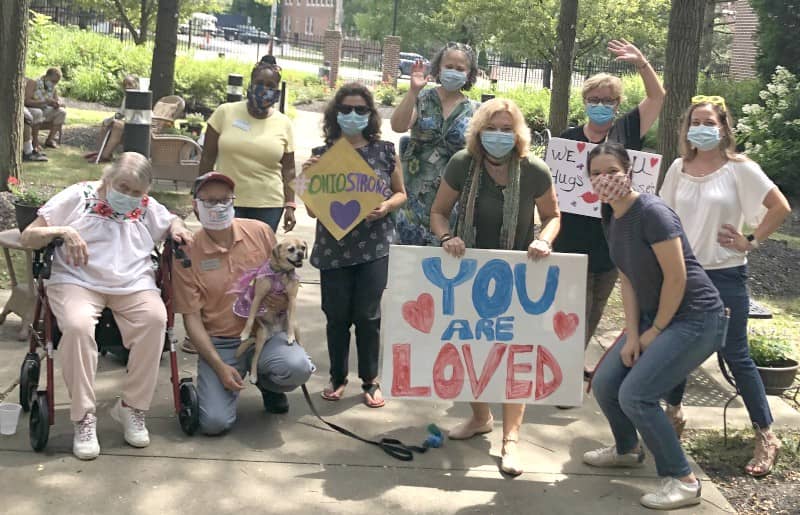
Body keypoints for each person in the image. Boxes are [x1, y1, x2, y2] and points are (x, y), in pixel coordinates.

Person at [19, 152, 193, 460]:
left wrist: (177, 227)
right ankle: (84, 417)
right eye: (121, 187)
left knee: (156, 320)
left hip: (132, 283)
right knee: (76, 325)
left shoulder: (146, 207)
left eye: (136, 192)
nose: (127, 196)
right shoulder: (78, 195)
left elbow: (171, 219)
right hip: (76, 280)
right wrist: (64, 231)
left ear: (146, 191)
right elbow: (29, 236)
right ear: (108, 179)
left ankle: (132, 408)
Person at [582, 142, 727, 510]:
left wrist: (654, 332)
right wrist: (633, 334)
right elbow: (628, 278)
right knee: (604, 383)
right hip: (653, 317)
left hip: (696, 317)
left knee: (637, 395)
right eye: (596, 174)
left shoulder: (652, 212)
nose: (605, 180)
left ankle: (684, 480)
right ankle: (627, 449)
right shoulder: (610, 215)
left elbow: (677, 278)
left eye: (611, 170)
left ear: (628, 170)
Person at [659, 97, 791, 476]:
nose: (701, 127)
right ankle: (673, 416)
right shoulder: (678, 168)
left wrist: (751, 239)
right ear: (686, 130)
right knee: (676, 348)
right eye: (695, 121)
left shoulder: (740, 169)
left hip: (725, 274)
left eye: (709, 121)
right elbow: (664, 215)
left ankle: (766, 434)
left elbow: (779, 206)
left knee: (735, 353)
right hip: (683, 273)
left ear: (722, 127)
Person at [429, 98, 561, 476]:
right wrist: (446, 237)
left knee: (512, 355)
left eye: (507, 129)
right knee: (470, 349)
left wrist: (544, 240)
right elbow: (438, 212)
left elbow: (552, 216)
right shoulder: (461, 164)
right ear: (478, 132)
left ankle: (511, 441)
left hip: (516, 278)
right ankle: (480, 417)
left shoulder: (533, 170)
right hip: (467, 274)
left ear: (518, 134)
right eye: (491, 128)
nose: (499, 136)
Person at [551, 39, 665, 379]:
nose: (601, 105)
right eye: (594, 100)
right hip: (572, 238)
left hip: (616, 239)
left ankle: (570, 364)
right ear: (585, 102)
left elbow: (658, 98)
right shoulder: (568, 139)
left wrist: (642, 62)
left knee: (597, 306)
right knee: (573, 308)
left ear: (618, 104)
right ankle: (564, 370)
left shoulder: (627, 130)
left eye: (608, 100)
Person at [172, 172, 315, 435]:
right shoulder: (187, 252)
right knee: (214, 424)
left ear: (234, 202)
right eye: (210, 201)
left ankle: (269, 385)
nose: (218, 207)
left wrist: (281, 296)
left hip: (266, 331)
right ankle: (223, 382)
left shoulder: (259, 232)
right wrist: (219, 367)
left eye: (225, 200)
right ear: (195, 205)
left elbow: (286, 275)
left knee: (297, 368)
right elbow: (191, 319)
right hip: (221, 342)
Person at [304, 83, 407, 408]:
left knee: (368, 315)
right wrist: (307, 181)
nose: (352, 115)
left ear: (370, 114)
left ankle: (370, 380)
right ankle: (337, 378)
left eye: (360, 109)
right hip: (333, 248)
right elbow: (311, 210)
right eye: (346, 109)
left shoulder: (386, 151)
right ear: (336, 113)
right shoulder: (323, 155)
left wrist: (387, 207)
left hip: (374, 247)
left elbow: (401, 193)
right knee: (336, 316)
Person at [391, 42, 479, 246]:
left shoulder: (475, 111)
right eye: (449, 66)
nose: (453, 71)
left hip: (452, 199)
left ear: (469, 73)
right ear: (439, 67)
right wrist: (412, 91)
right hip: (414, 194)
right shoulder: (423, 99)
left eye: (460, 68)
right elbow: (398, 126)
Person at [199, 59, 296, 235]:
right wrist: (199, 194)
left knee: (257, 259)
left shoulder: (284, 123)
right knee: (224, 255)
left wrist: (291, 204)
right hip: (224, 201)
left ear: (277, 92)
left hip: (269, 205)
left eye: (270, 86)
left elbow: (289, 169)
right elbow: (207, 158)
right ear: (250, 85)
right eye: (259, 83)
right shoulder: (224, 112)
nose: (264, 89)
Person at [86, 74, 140, 163]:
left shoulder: (140, 97)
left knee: (117, 125)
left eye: (130, 84)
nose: (127, 87)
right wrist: (111, 119)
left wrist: (117, 120)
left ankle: (105, 156)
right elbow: (121, 113)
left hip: (138, 126)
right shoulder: (127, 97)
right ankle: (101, 153)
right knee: (106, 123)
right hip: (128, 123)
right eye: (125, 85)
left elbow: (134, 117)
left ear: (136, 85)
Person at [25, 67, 68, 150]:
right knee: (38, 112)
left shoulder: (53, 88)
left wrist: (57, 104)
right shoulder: (33, 82)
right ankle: (35, 141)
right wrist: (44, 101)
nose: (54, 84)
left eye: (56, 82)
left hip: (45, 109)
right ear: (47, 76)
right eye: (53, 81)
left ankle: (50, 140)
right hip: (32, 109)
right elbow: (26, 101)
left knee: (62, 112)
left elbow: (57, 100)